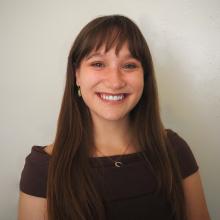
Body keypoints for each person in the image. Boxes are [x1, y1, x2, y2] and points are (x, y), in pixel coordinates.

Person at [18, 15, 210, 220]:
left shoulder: (174, 151)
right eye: (98, 64)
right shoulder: (42, 168)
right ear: (76, 75)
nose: (115, 81)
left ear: (144, 76)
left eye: (129, 66)